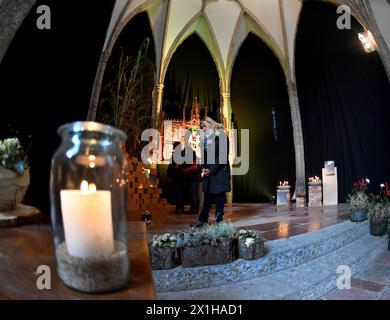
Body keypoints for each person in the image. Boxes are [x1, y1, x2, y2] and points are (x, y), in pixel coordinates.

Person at [191, 116, 231, 227]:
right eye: (202, 127)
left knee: (219, 197)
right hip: (209, 173)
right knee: (207, 197)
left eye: (204, 125)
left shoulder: (222, 136)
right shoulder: (205, 140)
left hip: (219, 172)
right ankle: (202, 220)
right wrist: (204, 168)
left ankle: (218, 221)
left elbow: (222, 157)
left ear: (211, 124)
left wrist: (211, 170)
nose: (203, 128)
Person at [167, 141, 184, 214]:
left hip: (177, 176)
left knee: (178, 193)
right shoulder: (183, 154)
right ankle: (180, 208)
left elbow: (172, 166)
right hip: (182, 176)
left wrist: (173, 169)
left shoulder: (175, 155)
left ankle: (179, 209)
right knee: (181, 192)